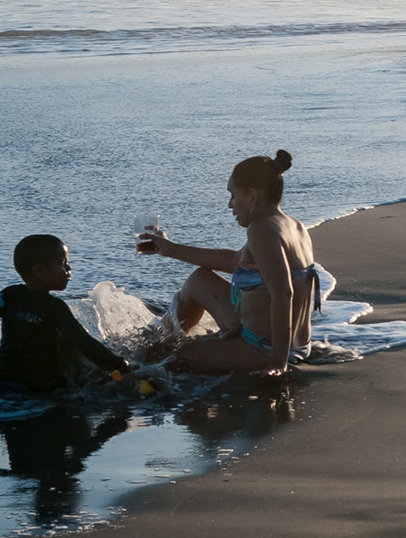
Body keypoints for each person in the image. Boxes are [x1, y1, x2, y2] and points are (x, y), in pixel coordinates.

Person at [138, 150, 330, 374]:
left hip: (267, 349)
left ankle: (152, 354)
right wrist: (170, 249)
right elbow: (234, 260)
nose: (230, 205)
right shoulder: (293, 225)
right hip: (288, 341)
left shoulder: (261, 230)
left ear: (251, 195)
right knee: (199, 280)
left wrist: (278, 365)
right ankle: (160, 340)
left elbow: (283, 293)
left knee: (178, 358)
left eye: (233, 195)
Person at [0, 234, 129, 394]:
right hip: (45, 387)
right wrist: (119, 366)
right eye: (62, 263)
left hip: (5, 380)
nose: (68, 269)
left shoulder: (8, 295)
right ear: (39, 271)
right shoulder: (54, 306)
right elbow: (82, 341)